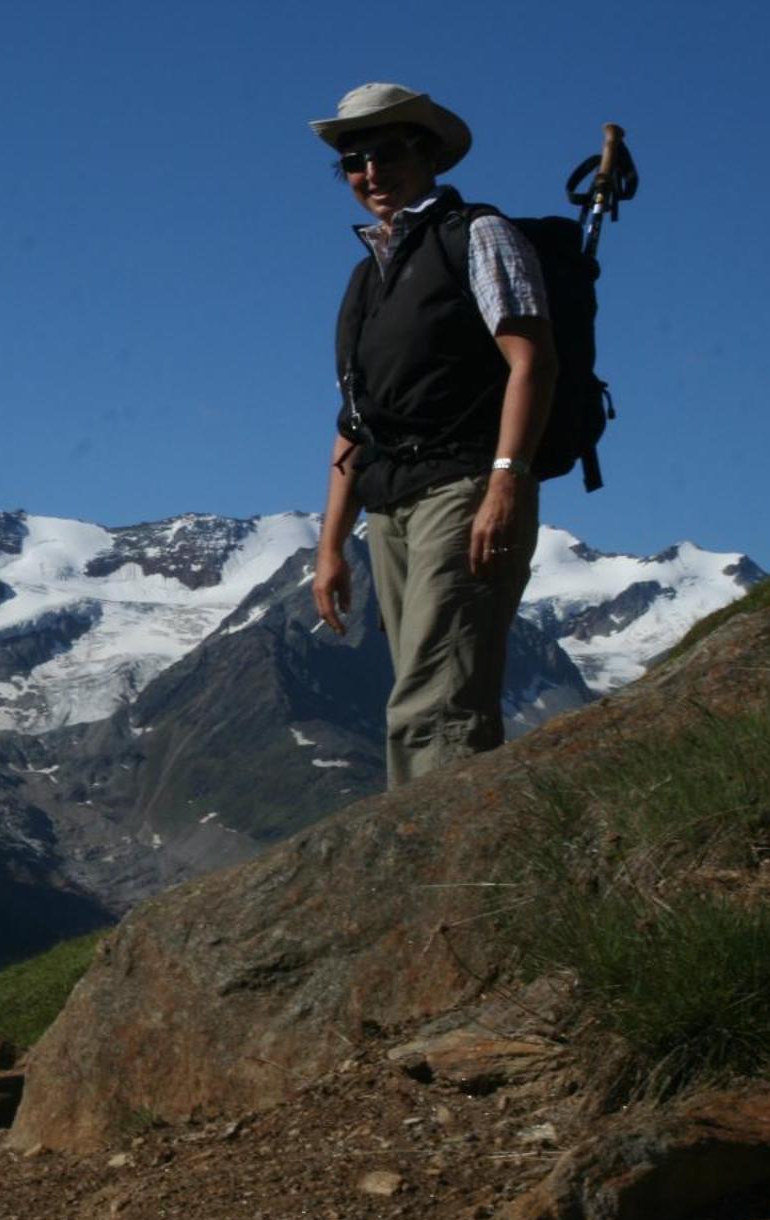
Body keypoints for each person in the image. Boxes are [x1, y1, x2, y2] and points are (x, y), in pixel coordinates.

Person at [308, 83, 558, 788]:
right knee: (428, 684)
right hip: (390, 505)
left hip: (465, 484)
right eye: (353, 162)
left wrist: (506, 478)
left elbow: (532, 359)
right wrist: (330, 547)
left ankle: (440, 881)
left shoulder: (478, 234)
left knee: (436, 701)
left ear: (427, 154)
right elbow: (353, 422)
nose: (370, 174)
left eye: (386, 154)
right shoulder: (365, 278)